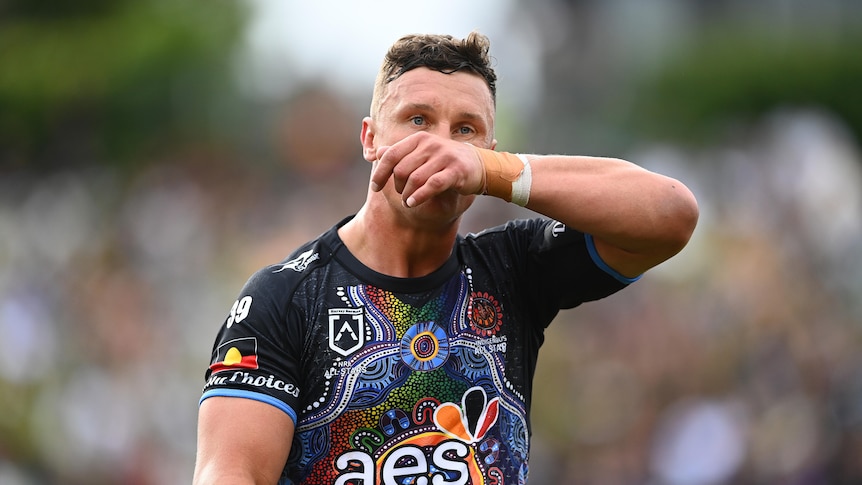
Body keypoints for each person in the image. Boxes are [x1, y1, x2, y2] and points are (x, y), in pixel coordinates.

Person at [193, 31, 698, 485]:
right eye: (418, 120)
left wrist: (496, 172)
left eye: (466, 130)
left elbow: (671, 214)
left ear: (489, 153)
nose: (440, 146)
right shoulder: (284, 297)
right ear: (370, 139)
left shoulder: (511, 268)